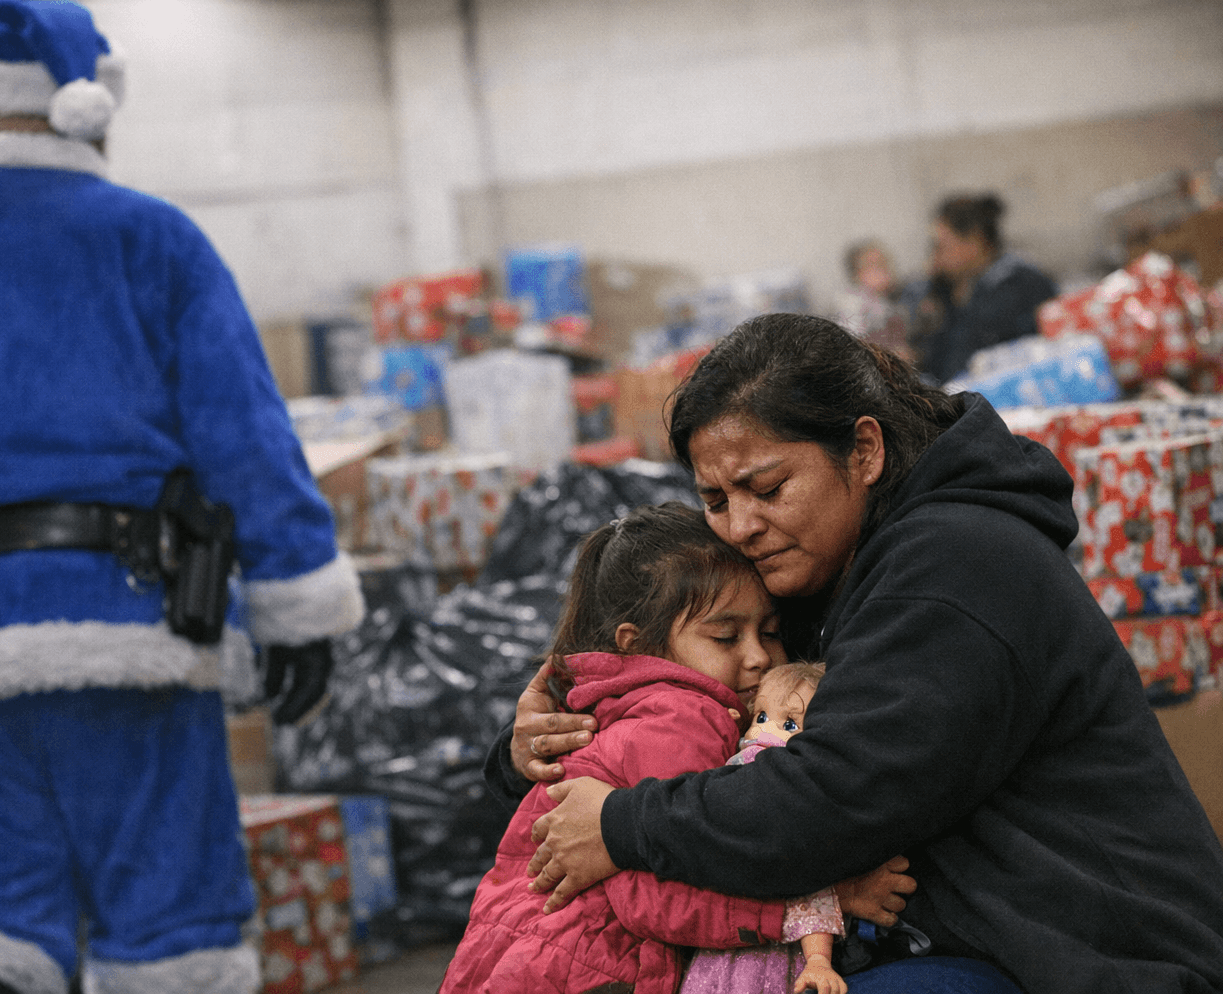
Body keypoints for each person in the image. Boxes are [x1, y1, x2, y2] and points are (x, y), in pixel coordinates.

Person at [0, 0, 365, 994]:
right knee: (170, 920)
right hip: (132, 635)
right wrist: (297, 605)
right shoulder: (154, 241)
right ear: (92, 108)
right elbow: (245, 438)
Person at [490, 313, 1223, 993]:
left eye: (767, 488)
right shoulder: (814, 572)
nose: (741, 525)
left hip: (1090, 961)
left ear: (864, 451)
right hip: (954, 939)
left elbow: (831, 800)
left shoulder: (955, 567)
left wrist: (622, 824)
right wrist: (540, 748)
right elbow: (676, 703)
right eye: (716, 500)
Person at [441, 504, 899, 994]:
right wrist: (818, 907)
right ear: (639, 646)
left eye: (770, 632)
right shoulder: (683, 719)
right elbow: (656, 898)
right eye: (725, 636)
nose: (759, 656)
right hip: (586, 969)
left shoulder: (623, 705)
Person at [680, 661, 845, 994]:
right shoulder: (739, 766)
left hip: (772, 939)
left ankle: (818, 959)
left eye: (789, 723)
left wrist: (817, 960)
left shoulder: (793, 783)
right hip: (727, 932)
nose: (765, 731)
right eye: (761, 717)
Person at [912, 193, 1058, 383]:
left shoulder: (1019, 284)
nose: (936, 256)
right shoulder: (953, 288)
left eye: (941, 246)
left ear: (974, 241)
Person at [829, 241, 909, 358]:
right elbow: (851, 343)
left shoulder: (889, 301)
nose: (883, 270)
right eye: (874, 265)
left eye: (884, 263)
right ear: (857, 273)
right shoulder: (849, 302)